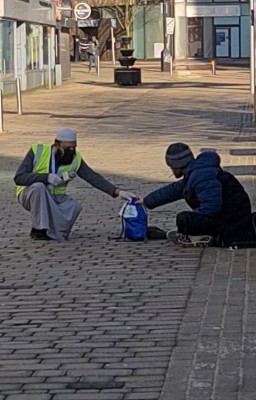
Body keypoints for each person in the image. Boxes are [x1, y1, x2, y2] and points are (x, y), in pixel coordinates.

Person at [14, 128, 134, 241]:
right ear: (56, 145)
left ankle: (54, 230)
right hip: (31, 195)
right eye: (67, 148)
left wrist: (117, 192)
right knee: (38, 187)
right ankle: (38, 230)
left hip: (57, 199)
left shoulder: (75, 158)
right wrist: (46, 177)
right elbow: (19, 178)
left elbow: (93, 177)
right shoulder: (37, 151)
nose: (71, 151)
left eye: (73, 148)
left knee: (74, 207)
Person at [137, 142, 252, 247]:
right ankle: (195, 234)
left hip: (232, 223)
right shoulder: (196, 172)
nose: (172, 171)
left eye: (172, 168)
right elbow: (172, 191)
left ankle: (200, 235)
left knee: (184, 219)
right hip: (229, 217)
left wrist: (195, 221)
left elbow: (211, 207)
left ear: (177, 166)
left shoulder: (201, 176)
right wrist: (146, 201)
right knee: (187, 220)